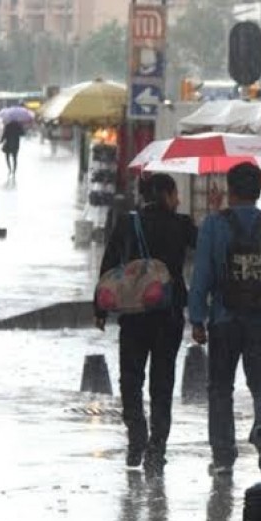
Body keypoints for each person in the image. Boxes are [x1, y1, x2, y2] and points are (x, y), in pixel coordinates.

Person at [189, 162, 261, 479]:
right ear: (260, 191)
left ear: (229, 190)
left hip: (224, 319)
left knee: (220, 388)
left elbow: (201, 278)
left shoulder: (213, 225)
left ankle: (223, 456)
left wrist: (197, 318)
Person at [95, 173, 198, 476]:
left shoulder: (128, 223)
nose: (178, 199)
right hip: (168, 314)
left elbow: (109, 265)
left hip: (134, 313)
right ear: (165, 194)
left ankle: (135, 435)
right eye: (175, 193)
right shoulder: (181, 225)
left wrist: (99, 308)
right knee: (162, 382)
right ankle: (157, 448)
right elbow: (204, 247)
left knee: (131, 377)